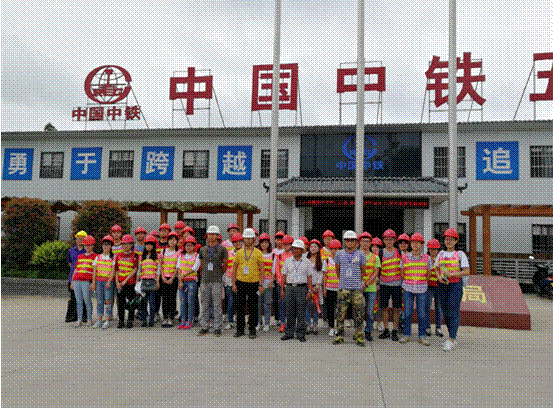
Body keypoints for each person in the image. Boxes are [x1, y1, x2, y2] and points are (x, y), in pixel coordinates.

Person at [436, 228, 470, 351]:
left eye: (451, 239)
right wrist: (439, 277)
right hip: (442, 285)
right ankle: (452, 336)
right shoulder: (440, 254)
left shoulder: (460, 254)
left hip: (455, 286)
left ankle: (451, 339)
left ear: (456, 241)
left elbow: (467, 271)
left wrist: (452, 274)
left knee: (453, 311)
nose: (448, 241)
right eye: (446, 239)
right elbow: (436, 268)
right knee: (445, 311)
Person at [333, 230, 367, 347]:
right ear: (344, 242)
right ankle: (339, 336)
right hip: (343, 288)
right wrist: (344, 280)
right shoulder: (339, 254)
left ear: (356, 242)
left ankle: (359, 337)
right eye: (348, 240)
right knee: (340, 314)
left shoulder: (361, 254)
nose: (350, 242)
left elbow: (363, 271)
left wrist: (356, 280)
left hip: (357, 288)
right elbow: (337, 270)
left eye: (352, 240)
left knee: (359, 313)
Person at [398, 233, 432, 345]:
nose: (415, 245)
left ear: (422, 244)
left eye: (418, 242)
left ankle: (422, 336)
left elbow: (429, 274)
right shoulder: (404, 257)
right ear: (410, 244)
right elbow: (402, 273)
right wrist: (410, 281)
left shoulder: (427, 258)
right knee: (407, 312)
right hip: (408, 288)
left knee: (421, 313)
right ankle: (406, 334)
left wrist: (420, 281)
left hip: (422, 289)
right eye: (413, 242)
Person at [232, 228, 264, 339]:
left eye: (250, 238)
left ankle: (252, 330)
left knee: (253, 308)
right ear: (243, 239)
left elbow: (262, 270)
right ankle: (240, 329)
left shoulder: (258, 253)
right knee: (240, 307)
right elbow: (234, 269)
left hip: (253, 283)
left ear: (254, 239)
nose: (248, 240)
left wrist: (261, 284)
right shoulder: (239, 253)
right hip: (240, 283)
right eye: (246, 238)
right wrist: (233, 283)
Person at [280, 239, 313, 342]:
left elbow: (309, 277)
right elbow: (283, 276)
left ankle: (300, 334)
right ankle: (289, 333)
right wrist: (282, 289)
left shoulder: (307, 262)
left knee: (301, 312)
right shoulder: (288, 261)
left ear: (302, 250)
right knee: (289, 311)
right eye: (294, 249)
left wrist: (310, 291)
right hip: (289, 288)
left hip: (302, 288)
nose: (296, 251)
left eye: (298, 249)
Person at [197, 225, 227, 337]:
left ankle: (217, 327)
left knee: (217, 305)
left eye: (214, 234)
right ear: (207, 235)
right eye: (210, 234)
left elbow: (225, 265)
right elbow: (201, 265)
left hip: (217, 281)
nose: (211, 236)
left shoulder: (222, 249)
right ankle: (204, 326)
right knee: (204, 304)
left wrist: (219, 274)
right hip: (205, 280)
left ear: (218, 236)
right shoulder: (203, 249)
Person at [379, 229, 402, 341]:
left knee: (396, 308)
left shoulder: (399, 252)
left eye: (391, 239)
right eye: (386, 239)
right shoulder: (380, 252)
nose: (389, 241)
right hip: (384, 284)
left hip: (397, 284)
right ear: (383, 240)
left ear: (394, 240)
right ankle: (386, 329)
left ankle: (394, 330)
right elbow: (378, 268)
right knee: (384, 307)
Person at [70, 235, 97, 327]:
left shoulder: (96, 256)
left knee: (87, 299)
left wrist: (93, 282)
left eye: (89, 245)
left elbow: (95, 271)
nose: (87, 247)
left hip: (86, 281)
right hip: (77, 280)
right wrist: (72, 281)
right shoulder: (80, 256)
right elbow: (75, 269)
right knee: (78, 301)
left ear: (93, 245)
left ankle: (89, 319)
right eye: (86, 245)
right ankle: (79, 319)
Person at [359, 232, 381, 341]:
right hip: (358, 287)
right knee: (358, 311)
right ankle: (358, 332)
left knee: (370, 312)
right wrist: (360, 283)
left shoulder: (375, 257)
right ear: (360, 242)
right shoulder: (356, 255)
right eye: (363, 241)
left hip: (371, 288)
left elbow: (376, 272)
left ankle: (368, 331)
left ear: (370, 243)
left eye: (367, 241)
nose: (365, 243)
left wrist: (366, 283)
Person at [114, 234, 139, 328]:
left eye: (128, 244)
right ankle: (121, 321)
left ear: (131, 244)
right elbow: (116, 270)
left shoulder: (135, 255)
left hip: (130, 283)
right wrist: (117, 282)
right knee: (121, 303)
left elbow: (135, 269)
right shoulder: (118, 255)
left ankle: (130, 320)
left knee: (131, 302)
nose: (126, 246)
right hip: (120, 283)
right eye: (124, 244)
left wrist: (126, 280)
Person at [91, 235, 115, 329]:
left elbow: (113, 271)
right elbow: (94, 271)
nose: (105, 246)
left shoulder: (113, 257)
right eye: (104, 244)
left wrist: (109, 281)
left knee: (108, 301)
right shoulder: (98, 257)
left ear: (111, 246)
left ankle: (107, 319)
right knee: (99, 301)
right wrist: (93, 283)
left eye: (108, 244)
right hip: (99, 282)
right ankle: (99, 320)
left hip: (108, 282)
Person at [177, 236, 200, 329]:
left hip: (192, 282)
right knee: (183, 302)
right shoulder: (181, 256)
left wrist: (184, 275)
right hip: (182, 282)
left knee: (191, 302)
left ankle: (189, 320)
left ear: (194, 246)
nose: (189, 247)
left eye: (191, 245)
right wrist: (180, 281)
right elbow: (178, 268)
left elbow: (195, 268)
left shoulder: (197, 255)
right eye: (187, 245)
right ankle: (183, 320)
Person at [158, 231, 180, 327]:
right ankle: (165, 318)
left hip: (173, 279)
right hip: (164, 278)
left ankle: (171, 318)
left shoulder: (179, 252)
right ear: (168, 241)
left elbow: (178, 267)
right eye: (171, 239)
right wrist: (162, 276)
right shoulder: (163, 251)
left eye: (174, 240)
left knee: (172, 298)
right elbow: (160, 265)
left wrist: (172, 278)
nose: (172, 241)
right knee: (164, 299)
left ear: (177, 242)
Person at [136, 235, 160, 327]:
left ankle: (151, 320)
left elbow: (158, 270)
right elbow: (139, 269)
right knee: (143, 303)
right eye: (147, 244)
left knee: (152, 302)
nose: (149, 246)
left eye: (151, 244)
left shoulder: (157, 256)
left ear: (154, 246)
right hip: (143, 281)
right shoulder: (141, 257)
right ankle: (144, 320)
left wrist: (157, 281)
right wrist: (137, 281)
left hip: (152, 281)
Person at [66, 230, 87, 323]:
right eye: (78, 239)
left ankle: (84, 316)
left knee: (84, 298)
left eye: (82, 239)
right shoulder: (71, 251)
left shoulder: (87, 251)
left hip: (84, 278)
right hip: (73, 278)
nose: (79, 241)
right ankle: (72, 316)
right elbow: (70, 263)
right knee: (73, 298)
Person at [305, 239, 325, 335]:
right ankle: (308, 325)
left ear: (318, 249)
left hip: (317, 287)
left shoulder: (321, 260)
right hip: (307, 286)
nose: (313, 248)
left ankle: (315, 325)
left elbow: (321, 274)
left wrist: (317, 285)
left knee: (316, 306)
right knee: (307, 306)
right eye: (311, 246)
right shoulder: (305, 259)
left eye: (315, 247)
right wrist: (308, 286)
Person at [224, 233, 243, 330]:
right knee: (230, 302)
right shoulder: (228, 253)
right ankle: (230, 321)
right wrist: (225, 279)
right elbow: (226, 266)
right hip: (229, 280)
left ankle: (240, 321)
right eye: (235, 242)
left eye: (239, 241)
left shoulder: (244, 253)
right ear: (233, 243)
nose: (238, 243)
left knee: (240, 302)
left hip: (241, 280)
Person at [425, 239, 444, 337]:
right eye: (431, 249)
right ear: (428, 249)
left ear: (438, 250)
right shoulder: (425, 258)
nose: (433, 251)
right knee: (427, 307)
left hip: (439, 286)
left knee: (439, 308)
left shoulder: (441, 259)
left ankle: (438, 328)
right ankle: (427, 327)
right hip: (428, 287)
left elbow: (443, 270)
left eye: (435, 249)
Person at [323, 239, 341, 337]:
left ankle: (338, 328)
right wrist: (324, 289)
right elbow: (324, 276)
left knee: (340, 309)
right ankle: (331, 328)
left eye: (336, 249)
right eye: (332, 249)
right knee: (330, 309)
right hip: (329, 289)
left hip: (340, 289)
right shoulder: (326, 261)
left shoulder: (342, 261)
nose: (334, 251)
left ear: (339, 250)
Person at [276, 234, 294, 332]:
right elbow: (277, 270)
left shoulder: (294, 256)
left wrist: (290, 281)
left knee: (291, 305)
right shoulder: (279, 256)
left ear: (291, 245)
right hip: (281, 285)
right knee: (282, 304)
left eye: (288, 244)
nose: (286, 246)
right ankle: (283, 323)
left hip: (291, 284)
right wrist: (281, 282)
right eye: (284, 244)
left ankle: (290, 324)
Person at [257, 233, 274, 332]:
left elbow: (274, 270)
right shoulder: (257, 254)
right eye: (262, 242)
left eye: (266, 242)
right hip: (258, 283)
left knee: (267, 304)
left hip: (268, 284)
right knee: (258, 304)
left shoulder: (272, 255)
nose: (264, 244)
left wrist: (272, 281)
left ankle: (267, 323)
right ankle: (259, 323)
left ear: (269, 244)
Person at [272, 231, 286, 328]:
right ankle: (277, 318)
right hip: (275, 279)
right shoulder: (273, 252)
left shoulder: (286, 251)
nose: (279, 241)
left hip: (284, 281)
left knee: (283, 301)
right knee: (276, 300)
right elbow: (274, 267)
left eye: (281, 240)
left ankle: (283, 319)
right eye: (278, 240)